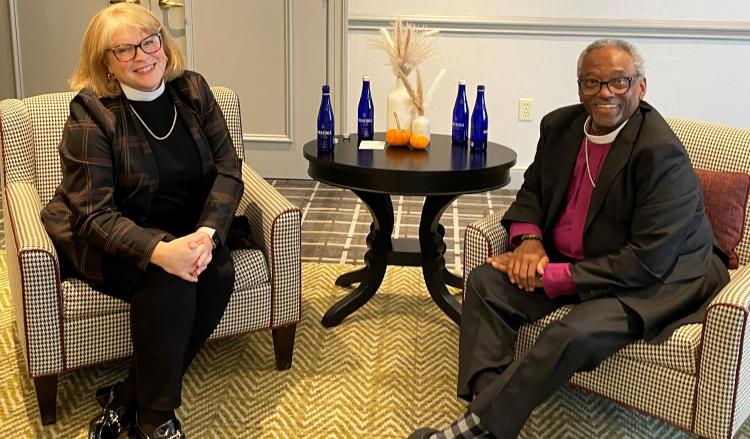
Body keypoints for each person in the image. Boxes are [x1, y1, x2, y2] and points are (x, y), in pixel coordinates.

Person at [409, 39, 729, 439]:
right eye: (592, 82)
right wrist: (528, 241)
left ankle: (477, 428)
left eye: (619, 81)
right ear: (579, 88)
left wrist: (553, 278)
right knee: (485, 284)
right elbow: (534, 192)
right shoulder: (560, 127)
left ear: (641, 87)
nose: (605, 93)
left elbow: (647, 261)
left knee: (573, 332)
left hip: (656, 278)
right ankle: (487, 418)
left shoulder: (661, 155)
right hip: (574, 260)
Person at [41, 3, 244, 439]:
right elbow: (93, 213)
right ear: (106, 64)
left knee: (219, 272)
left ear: (163, 43)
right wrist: (160, 252)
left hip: (186, 226)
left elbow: (228, 168)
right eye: (124, 50)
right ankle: (155, 419)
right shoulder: (92, 113)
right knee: (169, 282)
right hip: (108, 236)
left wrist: (207, 234)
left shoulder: (192, 90)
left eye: (148, 42)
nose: (142, 56)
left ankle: (128, 398)